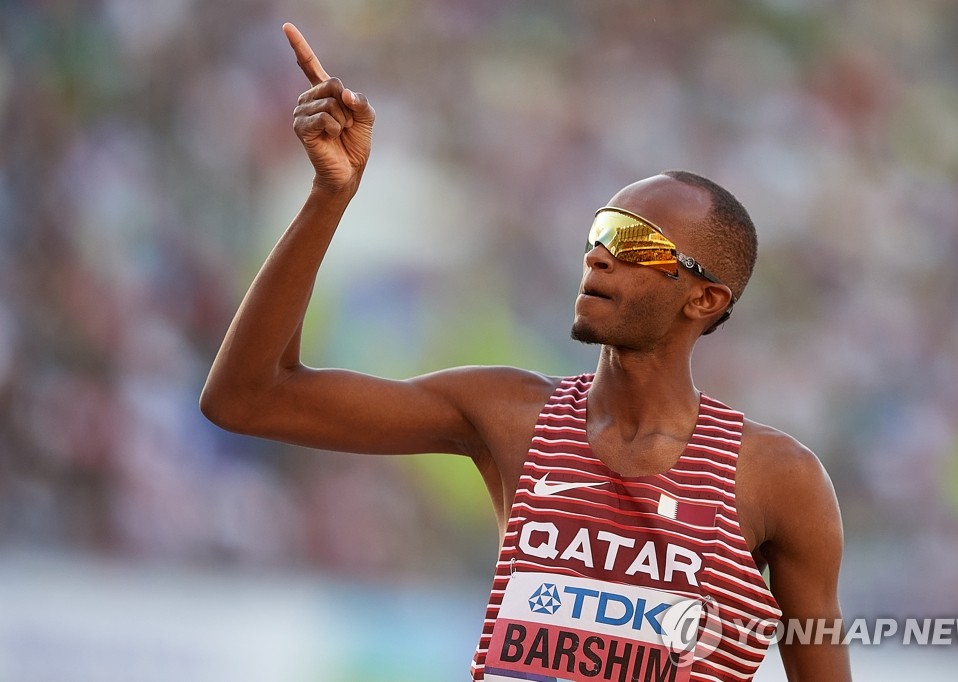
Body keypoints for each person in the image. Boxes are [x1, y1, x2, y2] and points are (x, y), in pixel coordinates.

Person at [201, 22, 852, 682]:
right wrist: (329, 196)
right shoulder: (510, 414)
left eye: (636, 244)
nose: (600, 254)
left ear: (704, 300)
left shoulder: (777, 479)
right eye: (601, 231)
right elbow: (247, 397)